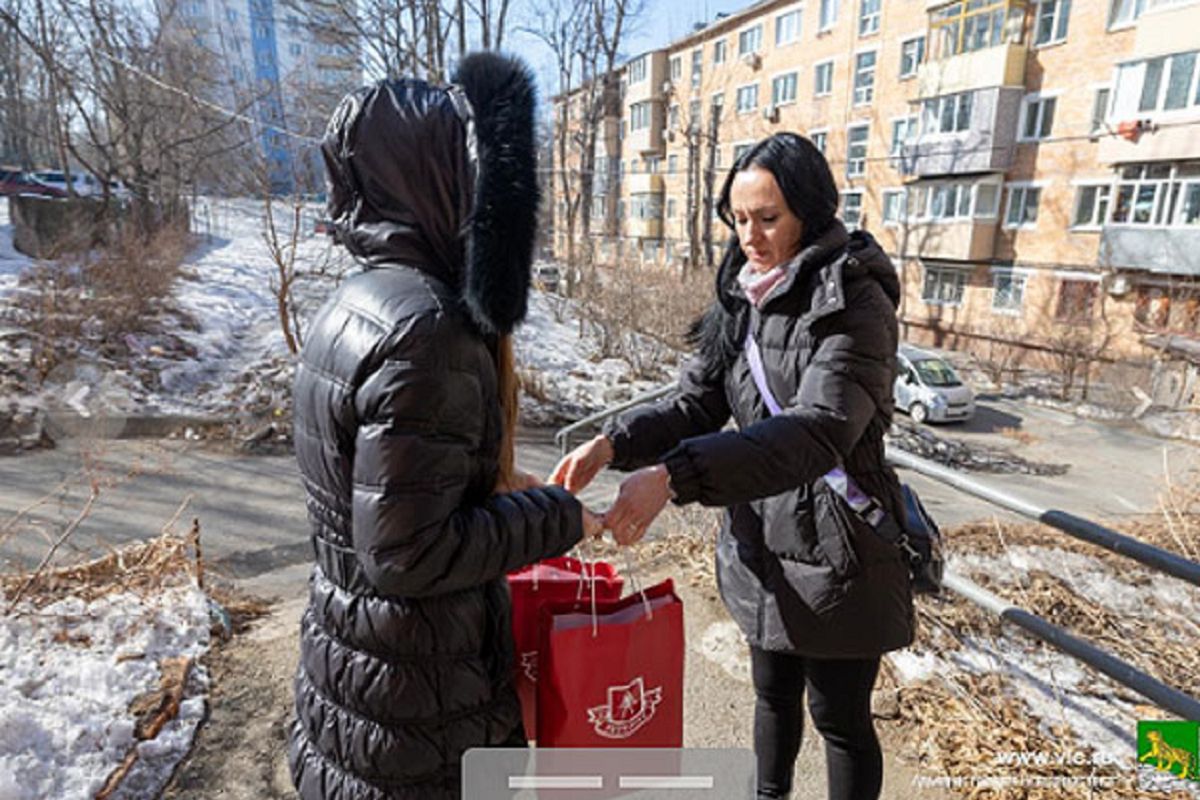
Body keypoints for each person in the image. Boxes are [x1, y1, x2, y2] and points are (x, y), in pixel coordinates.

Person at [552, 132, 913, 800]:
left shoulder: (854, 300)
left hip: (840, 545)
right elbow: (696, 402)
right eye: (739, 218)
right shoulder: (742, 295)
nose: (750, 235)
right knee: (771, 696)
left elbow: (818, 432)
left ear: (810, 209)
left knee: (839, 718)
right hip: (759, 538)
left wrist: (674, 477)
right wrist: (609, 444)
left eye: (767, 218)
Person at [287, 53, 602, 799]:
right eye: (472, 175)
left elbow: (379, 496)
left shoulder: (358, 301)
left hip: (363, 684)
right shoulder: (428, 329)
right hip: (416, 719)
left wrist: (488, 482)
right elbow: (408, 552)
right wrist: (559, 517)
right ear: (433, 177)